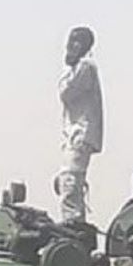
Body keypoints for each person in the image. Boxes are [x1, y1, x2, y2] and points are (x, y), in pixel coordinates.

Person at [56, 26, 103, 223]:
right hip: (73, 132)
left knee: (70, 180)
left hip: (80, 132)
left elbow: (66, 92)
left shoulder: (85, 67)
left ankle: (73, 223)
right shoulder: (78, 68)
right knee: (68, 179)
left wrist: (68, 67)